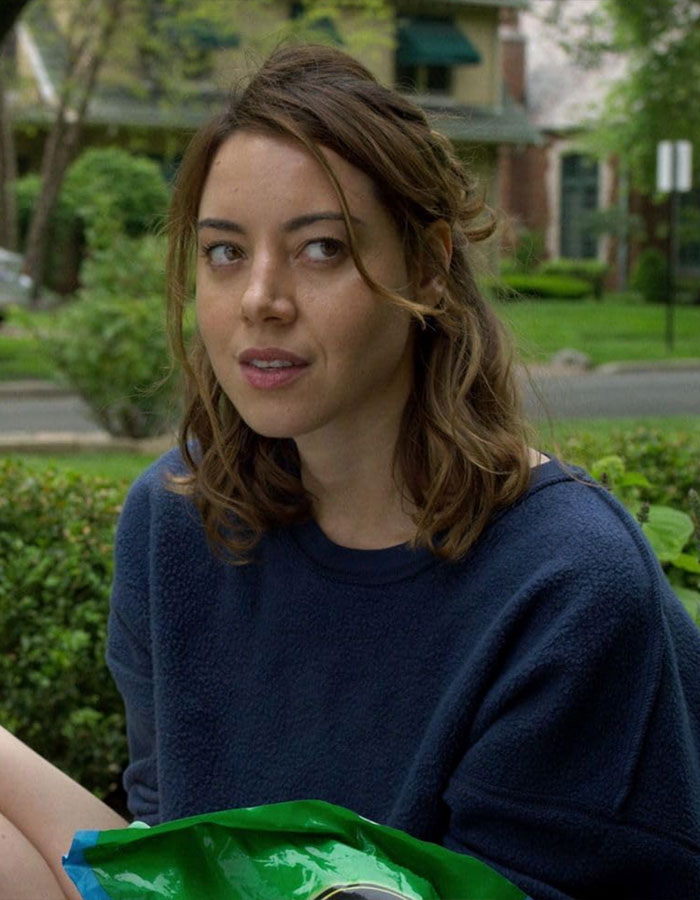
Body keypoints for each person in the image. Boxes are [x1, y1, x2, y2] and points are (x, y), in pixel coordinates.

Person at [2, 43, 700, 900]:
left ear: (432, 267)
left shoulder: (569, 586)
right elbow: (172, 852)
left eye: (322, 248)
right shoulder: (175, 520)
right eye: (224, 252)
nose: (261, 297)